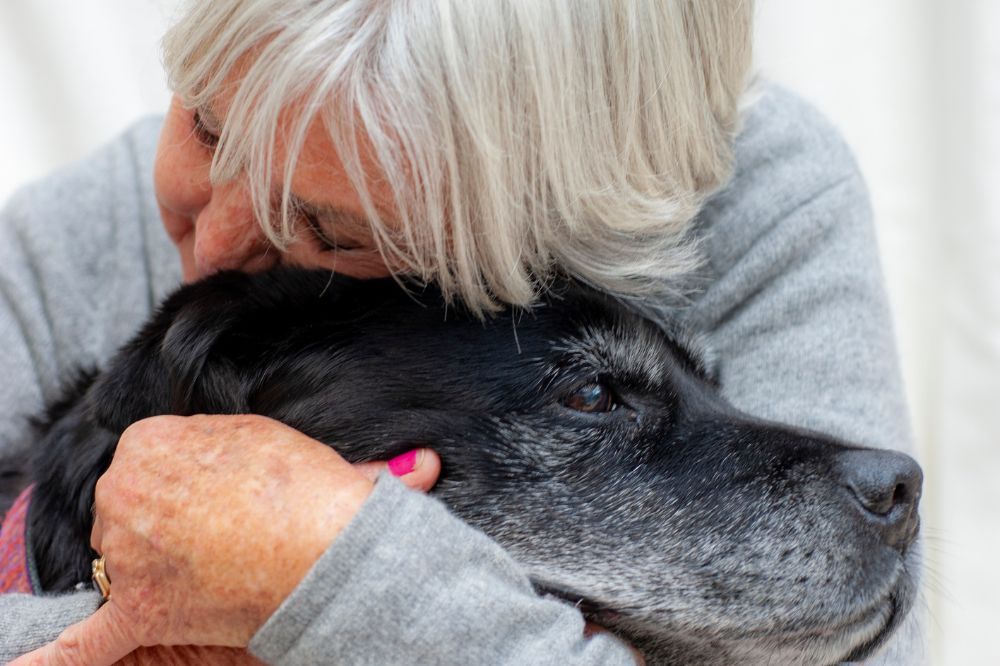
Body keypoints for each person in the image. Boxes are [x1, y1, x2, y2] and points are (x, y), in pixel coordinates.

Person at [0, 1, 919, 664]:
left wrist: (326, 571)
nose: (213, 246)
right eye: (204, 126)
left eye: (330, 231)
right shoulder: (64, 243)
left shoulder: (764, 200)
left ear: (526, 229)